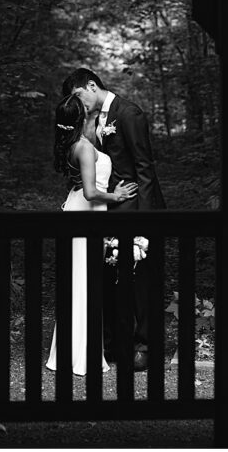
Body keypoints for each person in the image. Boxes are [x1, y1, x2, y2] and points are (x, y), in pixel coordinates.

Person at [62, 68, 166, 372]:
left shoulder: (129, 114)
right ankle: (113, 342)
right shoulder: (89, 119)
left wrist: (143, 225)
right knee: (110, 279)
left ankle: (143, 346)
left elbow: (145, 170)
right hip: (104, 209)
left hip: (133, 209)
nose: (76, 103)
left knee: (139, 280)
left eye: (78, 95)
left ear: (91, 86)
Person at [47, 94, 137, 376]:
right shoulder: (84, 148)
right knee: (84, 284)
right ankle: (82, 356)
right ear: (79, 117)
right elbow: (90, 191)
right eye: (85, 109)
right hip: (85, 212)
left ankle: (70, 352)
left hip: (81, 210)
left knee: (81, 283)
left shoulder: (74, 144)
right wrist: (116, 194)